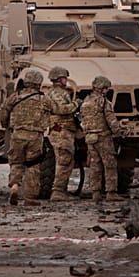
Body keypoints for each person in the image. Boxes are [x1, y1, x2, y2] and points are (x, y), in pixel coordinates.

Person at [0, 68, 51, 206]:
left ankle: (15, 186)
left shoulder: (15, 96)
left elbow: (4, 112)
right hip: (35, 136)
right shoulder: (44, 99)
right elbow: (55, 110)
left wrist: (6, 126)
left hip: (17, 135)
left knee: (16, 163)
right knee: (33, 165)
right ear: (39, 83)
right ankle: (30, 197)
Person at [79, 76, 124, 203]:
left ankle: (96, 193)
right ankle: (111, 192)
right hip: (103, 137)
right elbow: (111, 120)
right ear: (102, 88)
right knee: (109, 165)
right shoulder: (104, 102)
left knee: (95, 166)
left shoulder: (85, 102)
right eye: (106, 88)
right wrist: (118, 133)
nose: (107, 90)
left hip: (90, 138)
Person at [46, 66, 80, 202]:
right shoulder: (58, 93)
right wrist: (75, 104)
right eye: (64, 78)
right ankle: (58, 192)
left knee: (65, 160)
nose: (66, 80)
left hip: (60, 130)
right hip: (61, 131)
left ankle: (61, 191)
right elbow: (61, 109)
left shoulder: (53, 92)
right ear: (59, 79)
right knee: (64, 161)